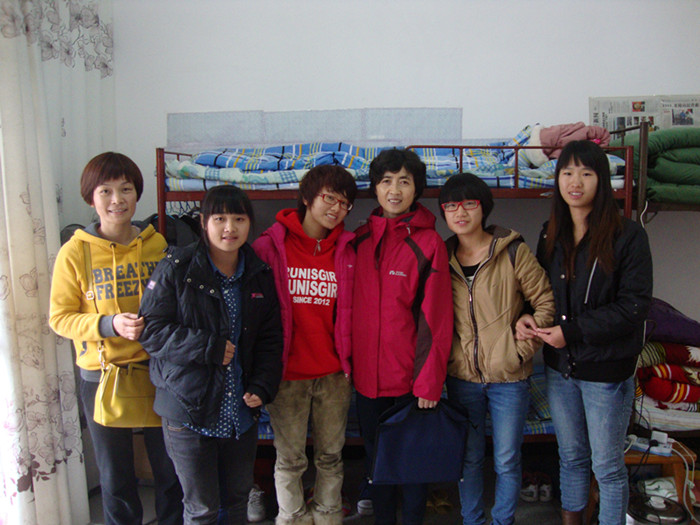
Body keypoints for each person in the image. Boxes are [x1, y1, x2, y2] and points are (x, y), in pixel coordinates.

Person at [516, 140, 653, 525]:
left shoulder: (628, 235)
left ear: (602, 180)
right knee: (571, 457)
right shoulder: (550, 233)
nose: (575, 182)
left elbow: (634, 307)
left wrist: (572, 332)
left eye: (586, 173)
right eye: (567, 172)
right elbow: (541, 292)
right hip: (561, 368)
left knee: (607, 466)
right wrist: (525, 316)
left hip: (606, 372)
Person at [49, 152, 183, 525]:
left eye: (125, 189)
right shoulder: (74, 252)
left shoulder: (157, 245)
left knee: (170, 470)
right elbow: (60, 318)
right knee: (116, 478)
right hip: (102, 375)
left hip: (158, 372)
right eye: (105, 191)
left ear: (137, 194)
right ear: (91, 197)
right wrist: (109, 325)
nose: (116, 200)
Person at [138, 185, 283, 525]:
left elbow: (270, 339)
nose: (230, 228)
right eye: (220, 218)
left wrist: (262, 385)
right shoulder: (177, 266)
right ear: (204, 222)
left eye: (239, 219)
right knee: (201, 509)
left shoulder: (258, 273)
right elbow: (151, 331)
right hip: (188, 409)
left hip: (239, 412)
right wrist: (208, 347)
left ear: (249, 224)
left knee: (236, 503)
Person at [438, 173, 555, 525]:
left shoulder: (512, 250)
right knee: (469, 458)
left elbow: (545, 302)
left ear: (484, 207)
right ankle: (472, 520)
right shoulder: (441, 257)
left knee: (506, 459)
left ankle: (504, 521)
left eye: (469, 203)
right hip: (462, 377)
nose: (460, 212)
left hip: (509, 377)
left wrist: (521, 348)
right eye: (451, 206)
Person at [351, 149, 453, 525]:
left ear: (416, 189)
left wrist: (428, 383)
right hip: (366, 380)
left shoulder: (429, 244)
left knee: (411, 467)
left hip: (408, 381)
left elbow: (436, 320)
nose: (394, 190)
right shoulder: (358, 240)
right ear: (375, 188)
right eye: (386, 181)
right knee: (377, 463)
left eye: (404, 182)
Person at [252, 165, 358, 525]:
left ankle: (328, 516)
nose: (336, 208)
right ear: (307, 198)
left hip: (334, 374)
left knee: (331, 456)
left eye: (344, 203)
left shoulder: (347, 249)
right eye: (329, 198)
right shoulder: (270, 246)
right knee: (290, 459)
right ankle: (293, 518)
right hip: (287, 375)